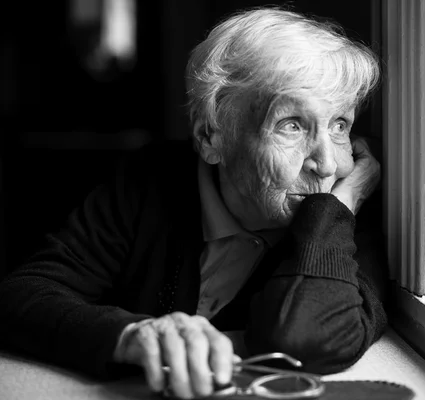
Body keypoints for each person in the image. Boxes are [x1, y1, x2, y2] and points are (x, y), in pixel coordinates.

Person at [0, 7, 388, 399]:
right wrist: (132, 336)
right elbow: (22, 296)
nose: (327, 163)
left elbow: (304, 340)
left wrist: (333, 211)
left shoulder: (348, 215)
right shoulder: (150, 180)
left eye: (339, 125)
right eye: (291, 125)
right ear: (210, 137)